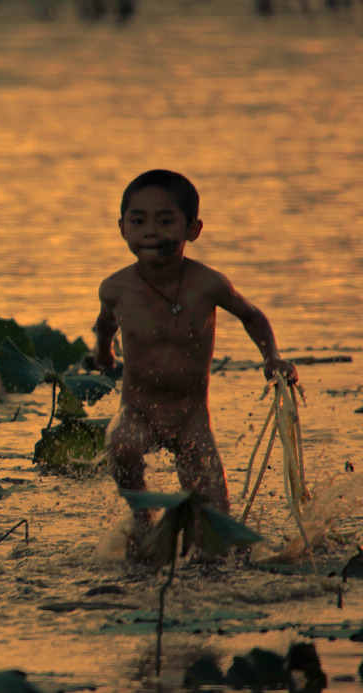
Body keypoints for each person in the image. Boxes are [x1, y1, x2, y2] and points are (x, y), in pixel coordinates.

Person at [93, 169, 297, 557]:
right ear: (122, 228)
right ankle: (143, 520)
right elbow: (104, 327)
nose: (150, 231)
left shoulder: (208, 284)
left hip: (190, 416)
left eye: (165, 220)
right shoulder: (115, 288)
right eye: (138, 221)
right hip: (139, 409)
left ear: (193, 229)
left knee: (213, 522)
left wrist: (272, 358)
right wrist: (104, 354)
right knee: (121, 442)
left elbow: (252, 316)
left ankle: (212, 566)